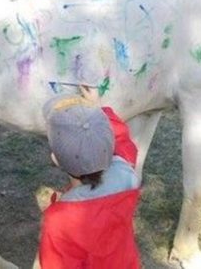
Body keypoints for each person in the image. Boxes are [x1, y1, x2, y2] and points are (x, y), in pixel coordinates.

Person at [38, 85, 141, 268]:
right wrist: (97, 107)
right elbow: (121, 139)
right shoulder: (127, 176)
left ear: (56, 159)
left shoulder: (59, 222)